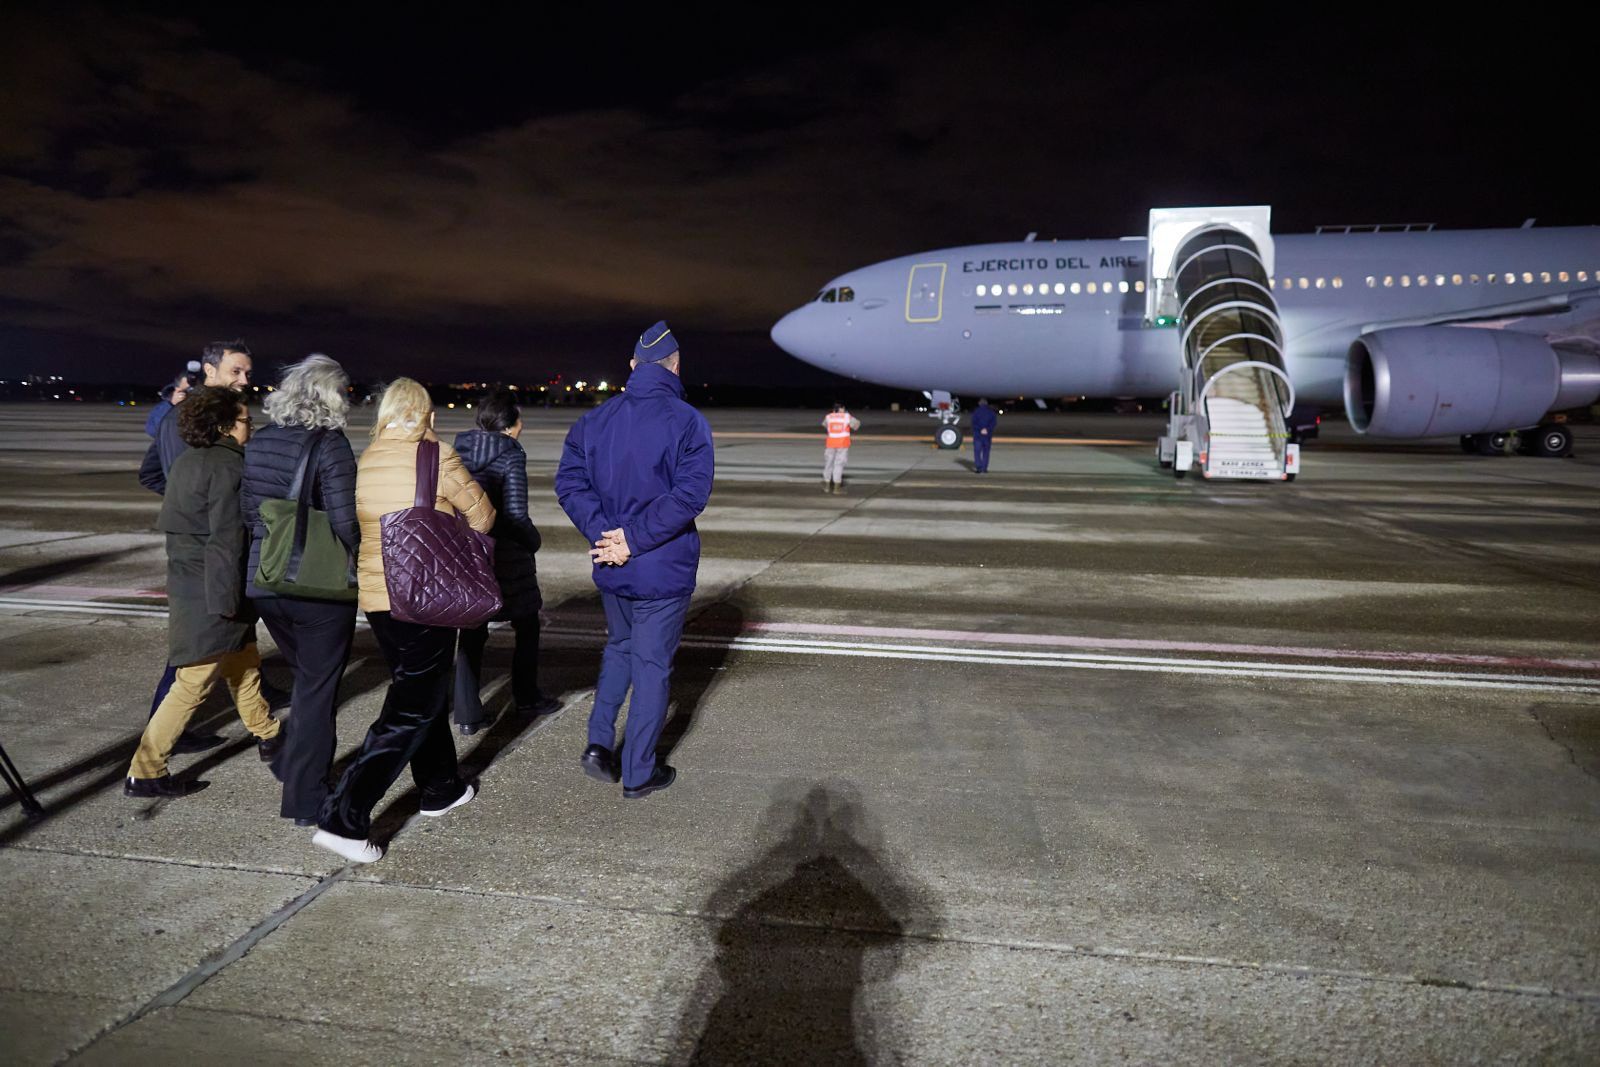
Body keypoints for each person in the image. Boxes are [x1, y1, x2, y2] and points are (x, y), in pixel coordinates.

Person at [312, 378, 494, 864]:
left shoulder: (366, 457)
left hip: (378, 598)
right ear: (427, 415)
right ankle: (344, 819)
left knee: (420, 690)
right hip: (426, 597)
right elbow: (483, 517)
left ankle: (441, 787)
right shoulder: (435, 455)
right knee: (409, 708)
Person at [555, 321, 715, 799]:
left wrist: (605, 535)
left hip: (611, 566)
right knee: (651, 666)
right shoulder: (687, 421)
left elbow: (569, 484)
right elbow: (689, 496)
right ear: (676, 365)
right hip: (660, 568)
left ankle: (599, 744)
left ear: (631, 367)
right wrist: (632, 539)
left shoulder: (594, 421)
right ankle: (640, 772)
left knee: (620, 648)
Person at [125, 388, 281, 797]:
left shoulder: (188, 462)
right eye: (246, 420)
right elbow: (227, 540)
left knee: (245, 662)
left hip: (192, 581)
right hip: (214, 588)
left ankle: (269, 733)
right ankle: (145, 770)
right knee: (193, 682)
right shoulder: (229, 468)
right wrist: (229, 602)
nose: (251, 426)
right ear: (226, 425)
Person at [241, 355, 359, 827]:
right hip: (316, 588)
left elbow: (251, 514)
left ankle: (295, 765)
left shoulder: (260, 440)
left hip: (265, 581)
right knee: (316, 690)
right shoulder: (331, 445)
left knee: (307, 679)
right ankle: (306, 797)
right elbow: (346, 521)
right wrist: (369, 564)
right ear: (331, 397)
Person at [137, 340, 261, 754]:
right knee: (192, 663)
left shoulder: (176, 415)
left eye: (247, 372)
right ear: (210, 371)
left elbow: (151, 473)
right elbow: (224, 522)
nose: (244, 380)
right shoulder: (217, 429)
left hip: (189, 546)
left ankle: (267, 732)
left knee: (226, 656)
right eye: (236, 371)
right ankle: (154, 754)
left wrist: (181, 502)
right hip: (208, 556)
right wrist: (194, 511)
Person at [452, 389, 560, 735]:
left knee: (472, 631)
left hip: (469, 551)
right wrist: (533, 541)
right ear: (510, 425)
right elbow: (515, 515)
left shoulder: (458, 450)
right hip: (506, 555)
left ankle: (467, 714)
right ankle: (526, 695)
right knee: (527, 625)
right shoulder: (511, 454)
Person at [143, 363, 200, 437]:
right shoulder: (163, 408)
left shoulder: (203, 405)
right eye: (185, 391)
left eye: (192, 390)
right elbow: (153, 430)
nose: (189, 394)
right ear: (176, 389)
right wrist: (171, 404)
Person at [821, 402, 860, 494]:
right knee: (838, 465)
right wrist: (848, 415)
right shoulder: (846, 416)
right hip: (842, 444)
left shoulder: (828, 416)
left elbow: (825, 425)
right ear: (841, 408)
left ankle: (826, 486)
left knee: (828, 464)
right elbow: (856, 425)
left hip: (830, 443)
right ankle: (836, 488)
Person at [971, 398, 997, 473]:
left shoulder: (976, 412)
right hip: (987, 436)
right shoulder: (991, 412)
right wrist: (987, 429)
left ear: (979, 403)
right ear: (986, 404)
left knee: (977, 452)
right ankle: (984, 468)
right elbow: (993, 423)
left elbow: (974, 423)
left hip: (978, 435)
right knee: (986, 452)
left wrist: (980, 429)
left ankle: (979, 467)